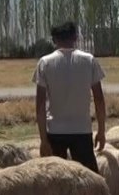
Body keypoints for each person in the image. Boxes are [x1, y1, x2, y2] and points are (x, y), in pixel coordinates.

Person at [33, 21, 106, 174]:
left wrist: (43, 139)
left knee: (55, 180)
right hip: (82, 130)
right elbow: (99, 99)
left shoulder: (44, 63)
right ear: (75, 38)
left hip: (55, 132)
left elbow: (40, 105)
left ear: (54, 40)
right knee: (89, 180)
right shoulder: (89, 60)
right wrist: (101, 130)